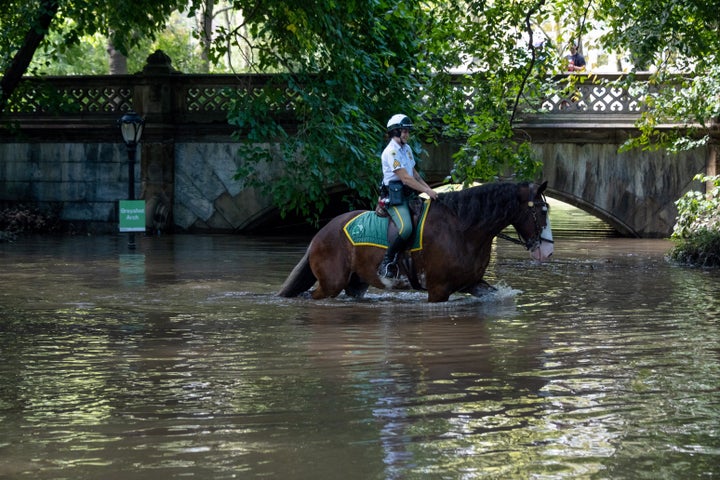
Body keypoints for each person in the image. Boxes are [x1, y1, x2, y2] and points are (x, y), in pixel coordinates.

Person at [377, 114, 438, 279]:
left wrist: (430, 190)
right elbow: (405, 178)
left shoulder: (407, 149)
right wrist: (427, 192)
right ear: (395, 131)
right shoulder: (391, 152)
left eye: (407, 131)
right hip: (395, 198)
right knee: (406, 228)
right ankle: (387, 261)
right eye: (403, 131)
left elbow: (415, 174)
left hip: (409, 195)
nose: (406, 134)